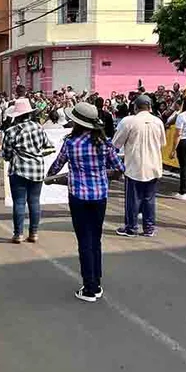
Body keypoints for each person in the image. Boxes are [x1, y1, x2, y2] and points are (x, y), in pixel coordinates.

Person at [47, 102, 125, 303]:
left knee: (84, 241)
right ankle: (96, 282)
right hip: (100, 196)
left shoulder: (71, 143)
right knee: (96, 239)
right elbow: (119, 168)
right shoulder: (104, 143)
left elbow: (57, 164)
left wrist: (49, 177)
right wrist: (103, 173)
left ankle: (89, 287)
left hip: (78, 197)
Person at [113, 95, 166, 237]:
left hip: (135, 166)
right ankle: (149, 228)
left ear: (135, 107)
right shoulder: (158, 122)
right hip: (154, 165)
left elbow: (116, 143)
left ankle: (131, 228)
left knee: (133, 199)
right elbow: (162, 143)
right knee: (149, 199)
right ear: (150, 107)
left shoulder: (129, 121)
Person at [2, 98, 51, 243]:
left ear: (16, 115)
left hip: (18, 170)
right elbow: (48, 146)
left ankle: (18, 234)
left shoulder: (11, 131)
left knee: (19, 202)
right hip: (37, 169)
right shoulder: (38, 128)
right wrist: (37, 154)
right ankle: (34, 233)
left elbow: (6, 154)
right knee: (34, 201)